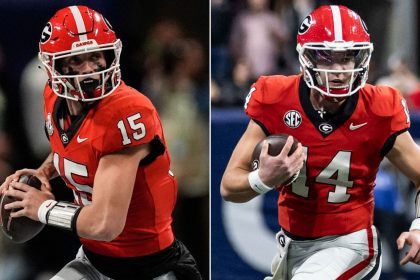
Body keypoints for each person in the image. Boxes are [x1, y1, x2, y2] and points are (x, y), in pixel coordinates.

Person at [0, 5, 202, 280]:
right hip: (93, 260)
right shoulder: (54, 98)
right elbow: (74, 147)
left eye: (96, 57)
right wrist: (45, 172)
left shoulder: (127, 112)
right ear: (54, 65)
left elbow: (105, 224)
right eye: (76, 60)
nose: (91, 70)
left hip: (150, 267)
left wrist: (43, 208)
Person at [220, 5, 420, 279]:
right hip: (289, 246)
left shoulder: (380, 108)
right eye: (326, 57)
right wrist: (263, 178)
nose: (338, 70)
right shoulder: (275, 97)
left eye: (348, 57)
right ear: (306, 58)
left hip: (350, 246)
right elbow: (229, 185)